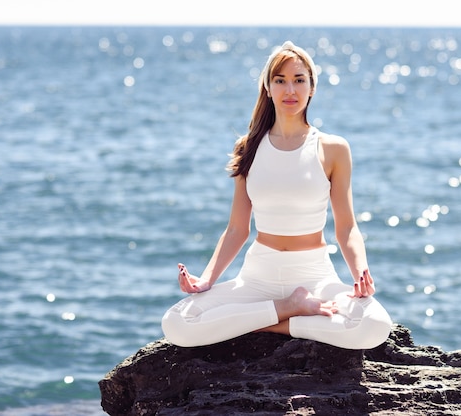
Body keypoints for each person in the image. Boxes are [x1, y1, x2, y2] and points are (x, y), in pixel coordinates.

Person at [161, 41, 392, 350]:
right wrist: (206, 280)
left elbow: (347, 227)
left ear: (312, 87)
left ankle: (267, 323)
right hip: (257, 278)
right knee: (177, 324)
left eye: (299, 79)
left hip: (315, 277)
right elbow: (236, 228)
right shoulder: (249, 147)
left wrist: (361, 275)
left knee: (374, 326)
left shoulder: (333, 149)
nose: (290, 89)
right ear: (268, 88)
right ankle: (287, 309)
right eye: (280, 80)